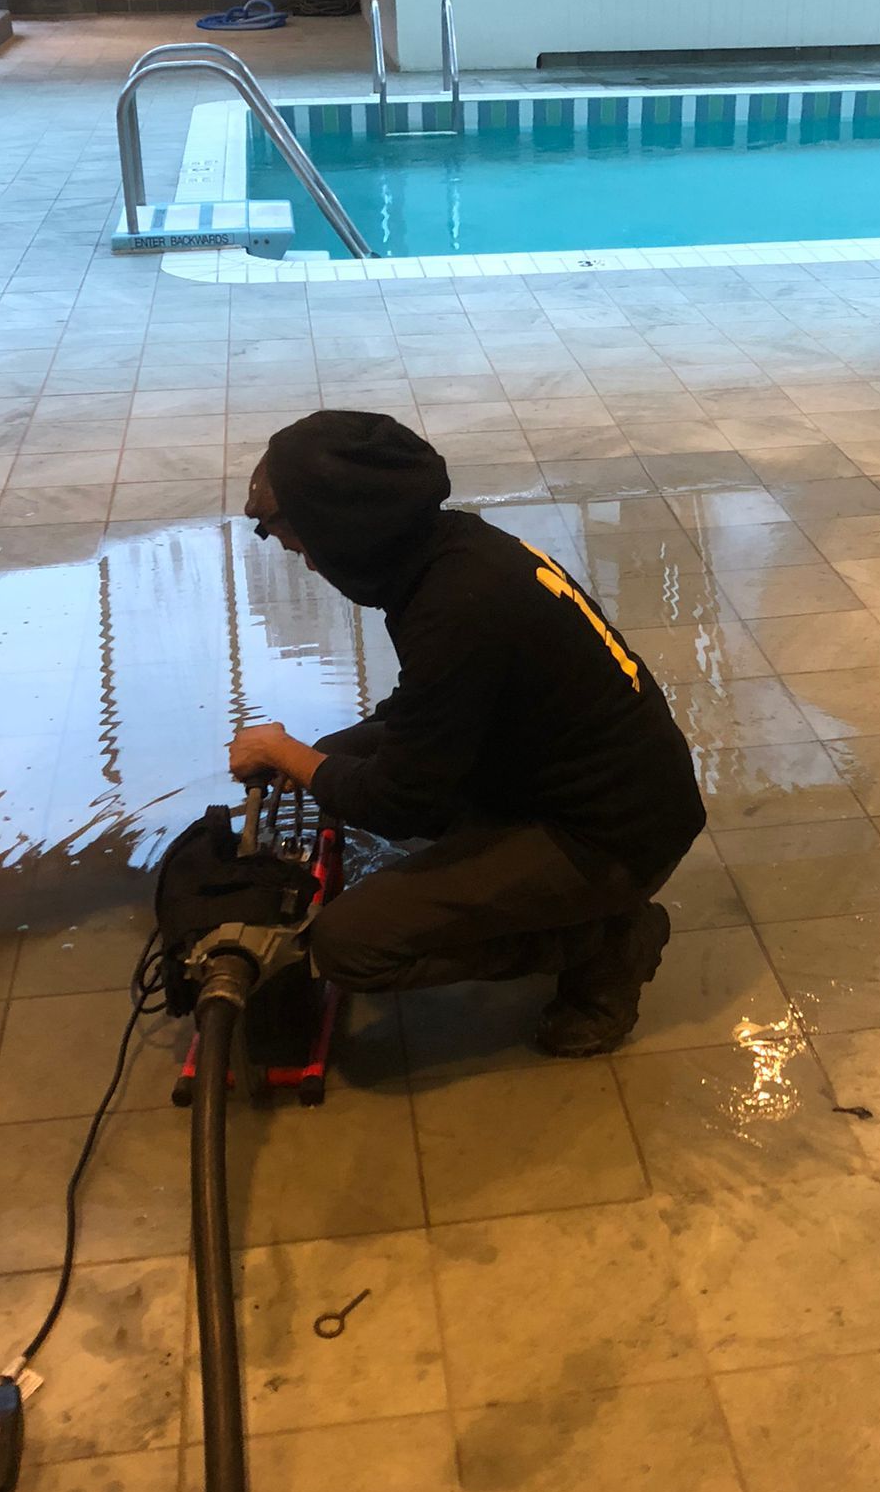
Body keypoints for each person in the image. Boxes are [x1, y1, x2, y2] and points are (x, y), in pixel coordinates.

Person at [228, 409, 706, 1056]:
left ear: (347, 530)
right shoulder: (451, 550)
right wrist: (314, 762)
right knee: (333, 763)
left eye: (303, 546)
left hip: (610, 835)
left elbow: (399, 803)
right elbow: (430, 707)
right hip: (590, 784)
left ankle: (610, 941)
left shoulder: (456, 606)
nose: (307, 564)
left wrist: (285, 750)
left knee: (349, 946)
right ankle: (547, 890)